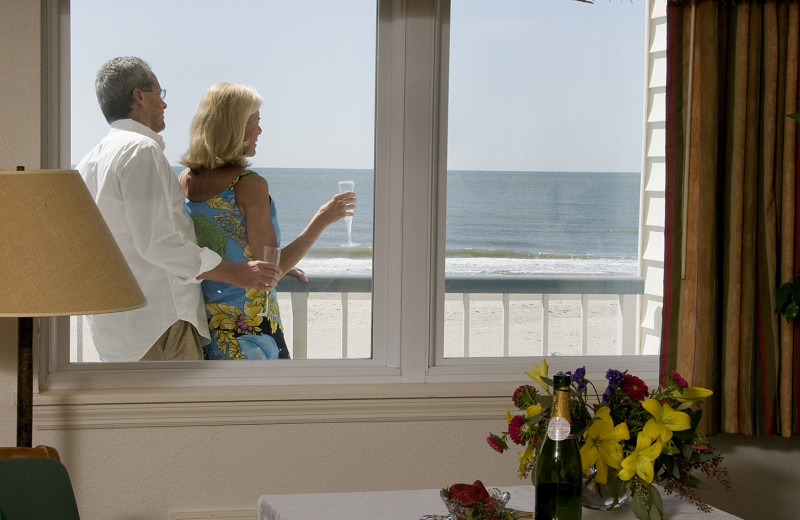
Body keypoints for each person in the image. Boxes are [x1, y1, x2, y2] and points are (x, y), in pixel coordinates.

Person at [76, 57, 281, 362]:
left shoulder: (90, 161)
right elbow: (158, 243)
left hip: (116, 329)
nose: (165, 104)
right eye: (160, 94)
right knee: (180, 410)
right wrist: (236, 272)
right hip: (159, 325)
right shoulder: (139, 151)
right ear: (139, 96)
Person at [179, 82, 355, 360]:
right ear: (235, 127)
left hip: (208, 328)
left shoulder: (187, 180)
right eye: (256, 122)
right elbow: (268, 273)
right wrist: (322, 220)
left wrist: (284, 266)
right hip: (251, 330)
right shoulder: (248, 185)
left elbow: (232, 253)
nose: (260, 131)